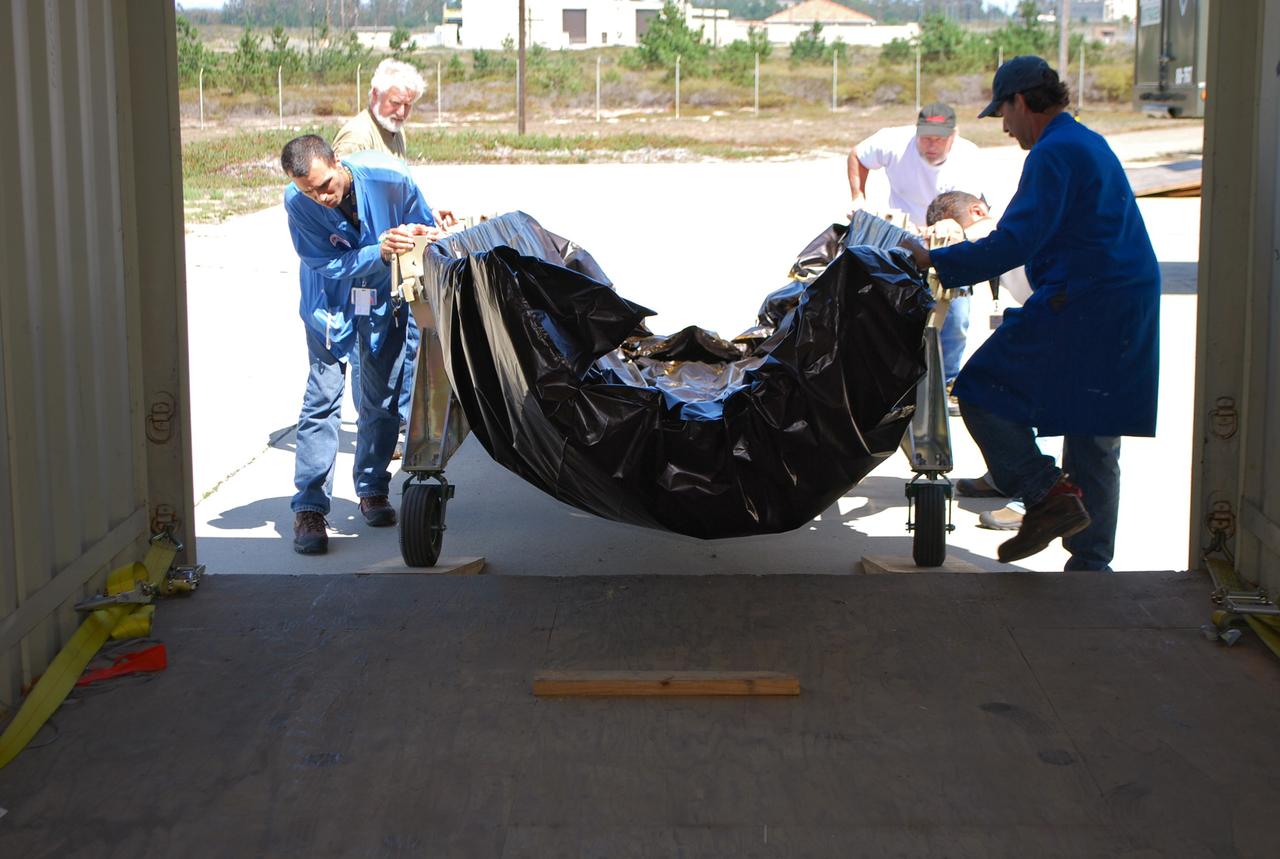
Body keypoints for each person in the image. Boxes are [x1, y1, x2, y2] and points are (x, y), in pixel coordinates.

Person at [900, 57, 1160, 571]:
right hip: (1120, 300)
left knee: (981, 390)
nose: (1004, 125)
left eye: (1003, 112)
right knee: (1095, 432)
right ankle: (1089, 567)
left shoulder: (1054, 153)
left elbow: (1015, 241)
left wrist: (935, 260)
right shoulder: (1084, 141)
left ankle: (1046, 496)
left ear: (1022, 102)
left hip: (1088, 302)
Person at [281, 134, 445, 555]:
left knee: (381, 399)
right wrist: (379, 252)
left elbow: (422, 222)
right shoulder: (297, 202)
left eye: (324, 186)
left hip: (381, 305)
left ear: (338, 161)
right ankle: (310, 508)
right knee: (321, 401)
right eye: (309, 191)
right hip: (328, 309)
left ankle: (373, 488)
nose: (320, 198)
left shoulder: (390, 176)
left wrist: (425, 230)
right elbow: (325, 262)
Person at [848, 103, 984, 390]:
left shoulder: (970, 157)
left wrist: (938, 234)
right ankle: (899, 382)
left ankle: (947, 381)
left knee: (955, 316)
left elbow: (968, 210)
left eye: (939, 138)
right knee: (894, 312)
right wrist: (858, 197)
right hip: (903, 239)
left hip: (948, 238)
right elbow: (858, 155)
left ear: (954, 135)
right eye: (926, 137)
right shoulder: (894, 141)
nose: (931, 144)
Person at [332, 59, 433, 446]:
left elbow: (397, 192)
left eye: (408, 105)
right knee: (368, 350)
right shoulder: (356, 138)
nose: (402, 112)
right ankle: (374, 431)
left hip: (394, 259)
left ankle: (397, 423)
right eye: (395, 103)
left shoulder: (393, 131)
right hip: (369, 265)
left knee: (402, 341)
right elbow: (345, 210)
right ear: (373, 95)